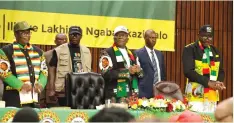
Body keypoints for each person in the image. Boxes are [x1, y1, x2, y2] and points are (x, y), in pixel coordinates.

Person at [0, 21, 48, 107]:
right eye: (23, 33)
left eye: (28, 33)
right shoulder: (5, 51)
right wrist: (20, 85)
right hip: (14, 97)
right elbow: (4, 73)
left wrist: (41, 84)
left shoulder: (38, 51)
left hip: (34, 98)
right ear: (15, 34)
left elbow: (44, 71)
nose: (27, 35)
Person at [182, 25, 226, 112]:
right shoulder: (190, 49)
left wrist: (218, 83)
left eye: (210, 36)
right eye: (204, 36)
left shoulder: (215, 51)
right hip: (195, 96)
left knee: (210, 120)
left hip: (211, 95)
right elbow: (188, 72)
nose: (207, 39)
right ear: (198, 35)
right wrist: (208, 82)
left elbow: (221, 71)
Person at [49, 26, 91, 106]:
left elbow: (89, 69)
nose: (74, 37)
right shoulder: (59, 50)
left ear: (81, 36)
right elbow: (52, 68)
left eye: (77, 35)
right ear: (68, 35)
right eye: (72, 34)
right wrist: (51, 89)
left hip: (81, 88)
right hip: (64, 89)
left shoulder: (87, 51)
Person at [99, 26, 143, 103]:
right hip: (114, 96)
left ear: (127, 39)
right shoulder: (106, 53)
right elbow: (105, 73)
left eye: (123, 35)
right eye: (118, 35)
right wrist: (127, 72)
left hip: (131, 95)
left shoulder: (133, 54)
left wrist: (139, 71)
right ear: (114, 38)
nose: (121, 37)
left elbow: (141, 75)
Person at [135, 29, 166, 98]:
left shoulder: (160, 54)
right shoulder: (138, 53)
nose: (154, 40)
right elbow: (138, 74)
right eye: (151, 38)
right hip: (144, 93)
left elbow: (163, 73)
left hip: (159, 91)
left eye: (155, 38)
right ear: (145, 38)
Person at [40, 33, 67, 107]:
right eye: (60, 39)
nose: (63, 41)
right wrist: (42, 97)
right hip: (51, 94)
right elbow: (42, 74)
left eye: (65, 40)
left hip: (67, 93)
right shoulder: (47, 55)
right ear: (55, 41)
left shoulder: (70, 55)